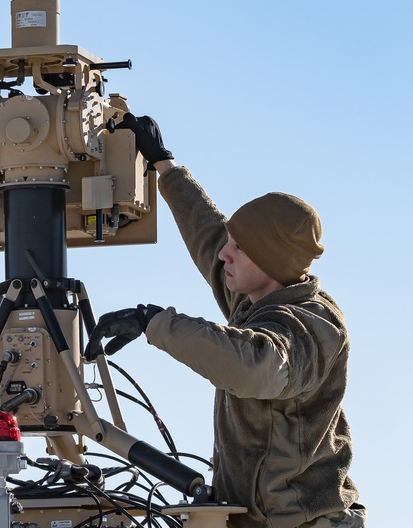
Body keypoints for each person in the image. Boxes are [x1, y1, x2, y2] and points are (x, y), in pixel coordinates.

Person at [87, 114, 365, 528]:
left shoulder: (313, 326)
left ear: (268, 259)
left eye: (239, 248)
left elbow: (255, 366)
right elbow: (209, 236)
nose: (224, 255)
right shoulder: (256, 296)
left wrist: (154, 323)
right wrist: (165, 165)